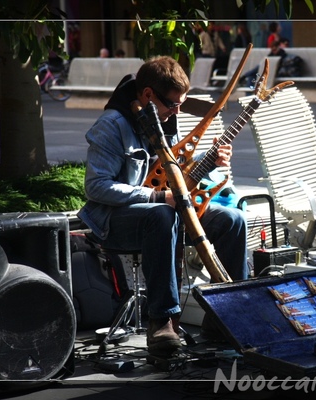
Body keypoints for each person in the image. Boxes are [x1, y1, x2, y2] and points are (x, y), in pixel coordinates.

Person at [77, 56, 248, 356]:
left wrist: (211, 164)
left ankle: (224, 315)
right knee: (162, 214)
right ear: (147, 96)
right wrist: (159, 199)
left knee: (232, 219)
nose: (177, 111)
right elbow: (97, 187)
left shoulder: (167, 120)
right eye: (172, 104)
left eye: (181, 103)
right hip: (115, 221)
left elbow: (178, 177)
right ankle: (162, 319)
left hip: (165, 210)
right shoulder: (112, 125)